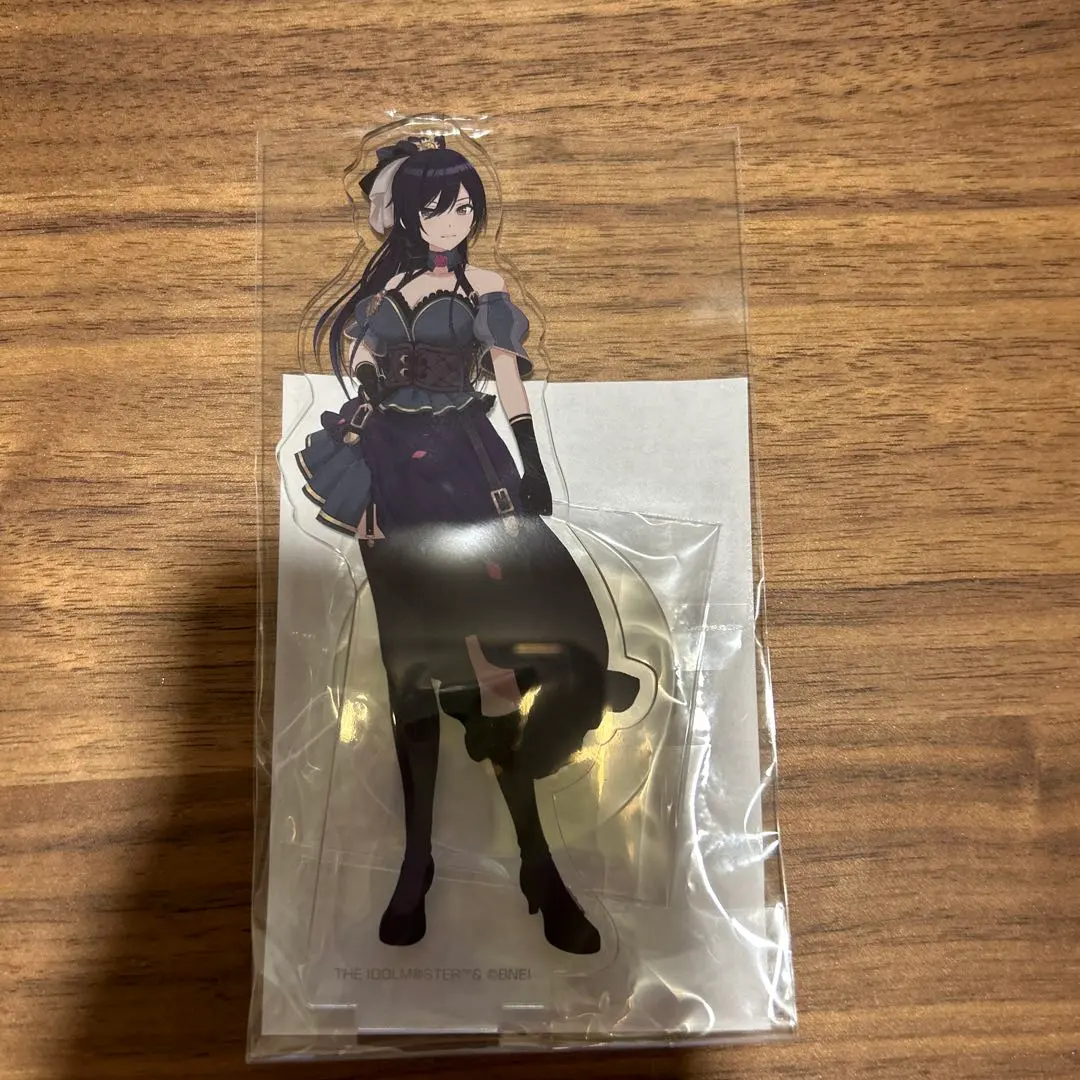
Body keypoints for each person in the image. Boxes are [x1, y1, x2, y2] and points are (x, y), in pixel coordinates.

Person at [297, 135, 638, 955]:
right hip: (393, 476)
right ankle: (418, 862)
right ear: (408, 216)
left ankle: (537, 857)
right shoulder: (387, 293)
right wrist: (368, 399)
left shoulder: (483, 287)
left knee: (502, 658)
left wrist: (530, 454)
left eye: (462, 206)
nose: (452, 219)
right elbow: (364, 363)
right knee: (413, 669)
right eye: (436, 207)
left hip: (467, 462)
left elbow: (506, 371)